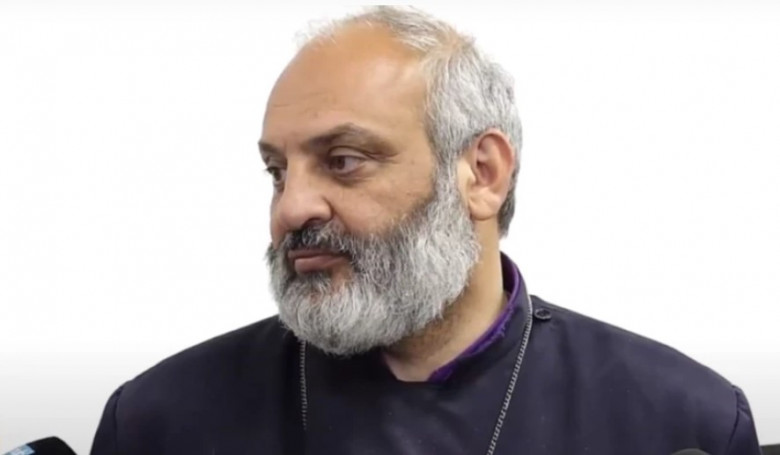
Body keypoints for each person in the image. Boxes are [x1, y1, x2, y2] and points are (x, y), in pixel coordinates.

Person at [90, 6, 762, 455]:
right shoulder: (159, 422)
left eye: (342, 161)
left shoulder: (677, 423)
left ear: (482, 174)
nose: (291, 209)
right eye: (277, 171)